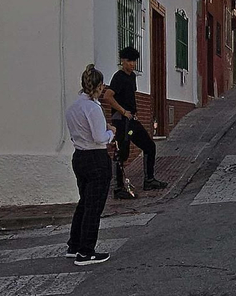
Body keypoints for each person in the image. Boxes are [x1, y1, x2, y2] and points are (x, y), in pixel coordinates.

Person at [64, 65, 115, 266]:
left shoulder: (73, 107)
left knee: (84, 203)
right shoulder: (93, 108)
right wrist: (111, 132)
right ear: (98, 86)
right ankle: (86, 252)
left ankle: (74, 245)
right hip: (96, 158)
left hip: (79, 157)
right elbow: (99, 137)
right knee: (94, 207)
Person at [107, 46, 165, 199]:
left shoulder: (132, 77)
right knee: (122, 152)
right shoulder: (118, 77)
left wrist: (133, 114)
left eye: (134, 61)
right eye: (129, 61)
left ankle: (149, 180)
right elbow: (108, 96)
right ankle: (118, 188)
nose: (132, 64)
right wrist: (123, 111)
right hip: (121, 123)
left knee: (149, 146)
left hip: (131, 122)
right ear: (122, 61)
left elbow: (130, 97)